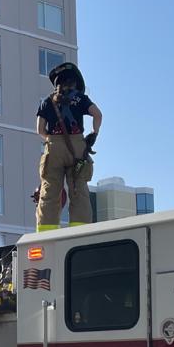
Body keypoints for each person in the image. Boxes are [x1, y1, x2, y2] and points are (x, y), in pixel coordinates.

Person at [34, 62, 102, 230]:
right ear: (75, 82)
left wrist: (51, 139)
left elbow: (39, 129)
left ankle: (46, 231)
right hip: (77, 147)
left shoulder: (47, 101)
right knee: (78, 189)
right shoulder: (80, 98)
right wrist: (94, 132)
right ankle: (80, 229)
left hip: (54, 148)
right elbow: (97, 114)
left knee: (50, 190)